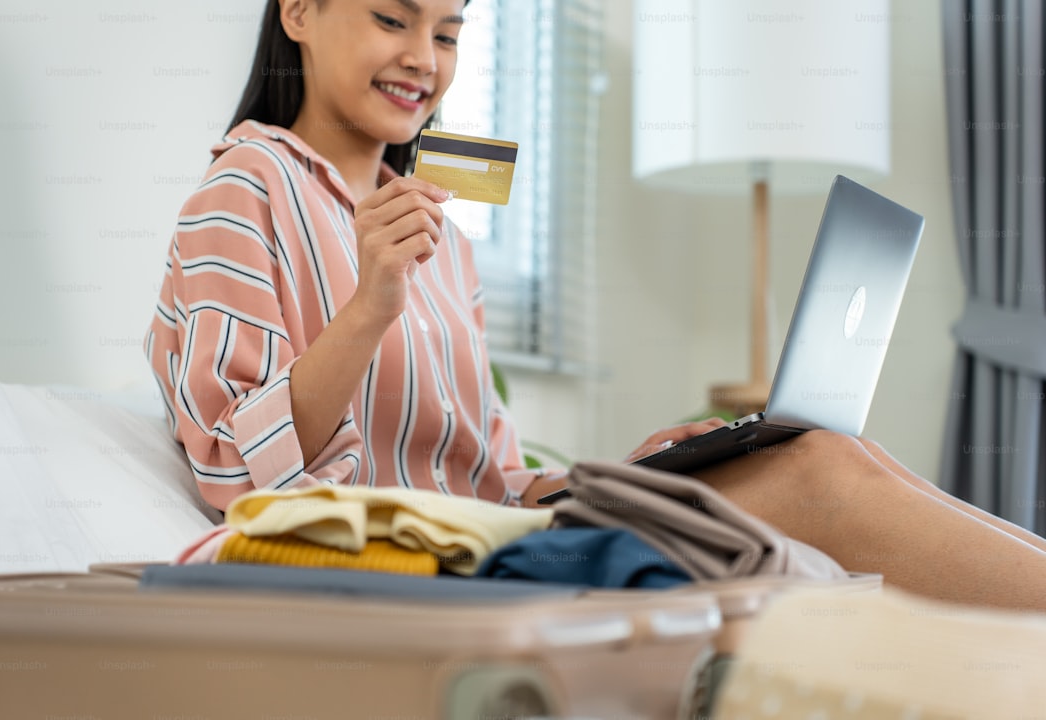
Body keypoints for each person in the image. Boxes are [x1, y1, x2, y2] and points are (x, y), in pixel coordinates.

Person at [145, 0, 1046, 612]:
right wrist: (369, 305)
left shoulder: (446, 242)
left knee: (829, 448)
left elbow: (492, 480)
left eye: (450, 31)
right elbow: (233, 470)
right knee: (821, 480)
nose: (423, 58)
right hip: (409, 562)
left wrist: (629, 470)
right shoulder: (246, 187)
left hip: (500, 527)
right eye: (392, 17)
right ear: (298, 11)